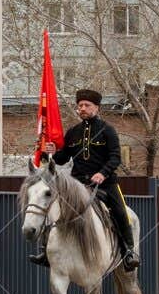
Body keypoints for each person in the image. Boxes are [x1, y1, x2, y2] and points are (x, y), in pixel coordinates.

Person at [35, 88, 139, 270]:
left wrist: (103, 173)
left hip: (105, 184)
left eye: (86, 105)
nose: (82, 108)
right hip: (77, 184)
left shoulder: (108, 130)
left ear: (96, 108)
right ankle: (46, 250)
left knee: (120, 212)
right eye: (80, 105)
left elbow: (115, 157)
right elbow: (63, 158)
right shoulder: (73, 132)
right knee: (53, 207)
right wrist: (51, 152)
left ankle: (129, 251)